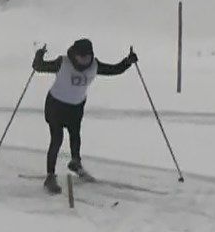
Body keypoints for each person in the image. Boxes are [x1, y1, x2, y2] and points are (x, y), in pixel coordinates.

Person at [32, 38, 137, 193]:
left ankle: (76, 162)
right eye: (81, 56)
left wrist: (128, 62)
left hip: (76, 107)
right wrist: (39, 55)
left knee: (75, 135)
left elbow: (114, 70)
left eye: (87, 56)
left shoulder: (94, 65)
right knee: (57, 138)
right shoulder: (63, 63)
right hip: (56, 105)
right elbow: (39, 67)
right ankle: (50, 176)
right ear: (74, 54)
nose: (84, 60)